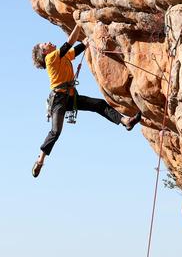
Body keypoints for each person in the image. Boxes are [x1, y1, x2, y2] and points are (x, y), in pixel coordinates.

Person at [30, 23, 142, 178]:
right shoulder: (50, 58)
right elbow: (69, 43)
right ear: (44, 52)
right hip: (59, 99)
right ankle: (40, 160)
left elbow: (74, 50)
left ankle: (125, 121)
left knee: (99, 105)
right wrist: (78, 24)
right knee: (55, 131)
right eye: (45, 44)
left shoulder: (59, 57)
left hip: (69, 97)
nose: (48, 43)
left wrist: (86, 43)